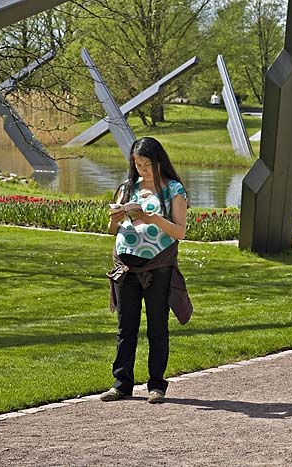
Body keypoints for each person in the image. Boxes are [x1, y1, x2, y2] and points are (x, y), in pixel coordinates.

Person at [102, 137, 192, 405]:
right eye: (137, 164)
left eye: (146, 164)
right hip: (125, 267)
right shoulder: (127, 188)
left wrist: (151, 218)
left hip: (158, 266)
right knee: (125, 327)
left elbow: (180, 231)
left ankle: (156, 385)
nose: (142, 169)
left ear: (158, 162)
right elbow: (111, 231)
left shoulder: (173, 190)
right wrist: (115, 220)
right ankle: (122, 384)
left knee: (156, 326)